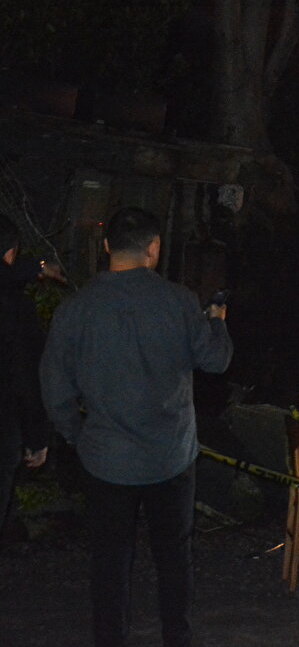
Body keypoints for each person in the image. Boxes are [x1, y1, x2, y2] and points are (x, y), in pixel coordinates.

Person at [40, 207, 233, 647]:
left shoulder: (76, 309)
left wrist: (76, 435)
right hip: (170, 456)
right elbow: (216, 361)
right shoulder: (180, 301)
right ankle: (176, 638)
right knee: (174, 557)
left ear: (107, 246)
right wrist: (217, 324)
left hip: (107, 459)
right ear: (153, 249)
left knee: (109, 562)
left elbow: (54, 387)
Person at [0, 215, 62, 538]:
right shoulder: (14, 308)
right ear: (11, 253)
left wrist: (35, 266)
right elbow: (26, 375)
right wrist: (38, 437)